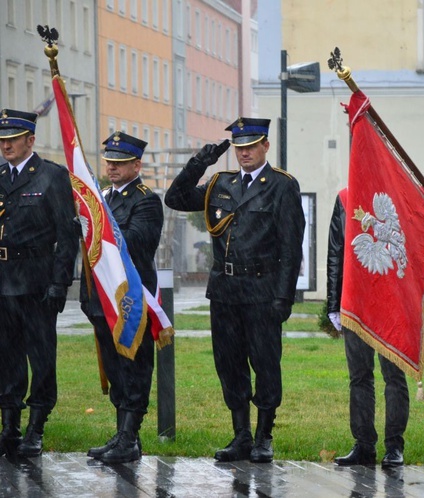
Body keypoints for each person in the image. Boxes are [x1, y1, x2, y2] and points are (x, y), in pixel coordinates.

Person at [165, 118, 305, 463]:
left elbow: (291, 247)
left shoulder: (281, 185)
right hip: (225, 290)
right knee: (228, 364)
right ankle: (241, 435)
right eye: (239, 148)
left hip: (261, 289)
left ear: (265, 147)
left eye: (251, 146)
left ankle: (264, 436)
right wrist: (201, 162)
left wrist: (284, 297)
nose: (244, 153)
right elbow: (176, 198)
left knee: (266, 364)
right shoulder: (220, 182)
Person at [80, 132, 164, 464]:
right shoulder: (102, 198)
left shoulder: (146, 200)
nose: (112, 168)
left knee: (135, 366)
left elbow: (136, 242)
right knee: (115, 370)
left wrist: (99, 228)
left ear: (136, 165)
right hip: (102, 298)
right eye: (109, 162)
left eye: (119, 163)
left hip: (130, 297)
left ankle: (129, 436)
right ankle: (124, 436)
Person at [0, 109, 78, 458]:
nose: (6, 146)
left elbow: (67, 235)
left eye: (12, 139)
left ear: (30, 140)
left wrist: (60, 283)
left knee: (41, 358)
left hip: (37, 282)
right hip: (3, 281)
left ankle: (36, 425)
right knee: (6, 358)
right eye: (2, 140)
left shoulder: (51, 177)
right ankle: (10, 426)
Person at [326, 187, 410, 468]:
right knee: (359, 376)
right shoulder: (345, 197)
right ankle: (363, 445)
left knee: (393, 376)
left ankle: (394, 446)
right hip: (356, 298)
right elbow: (336, 250)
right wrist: (333, 302)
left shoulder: (400, 190)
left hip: (392, 300)